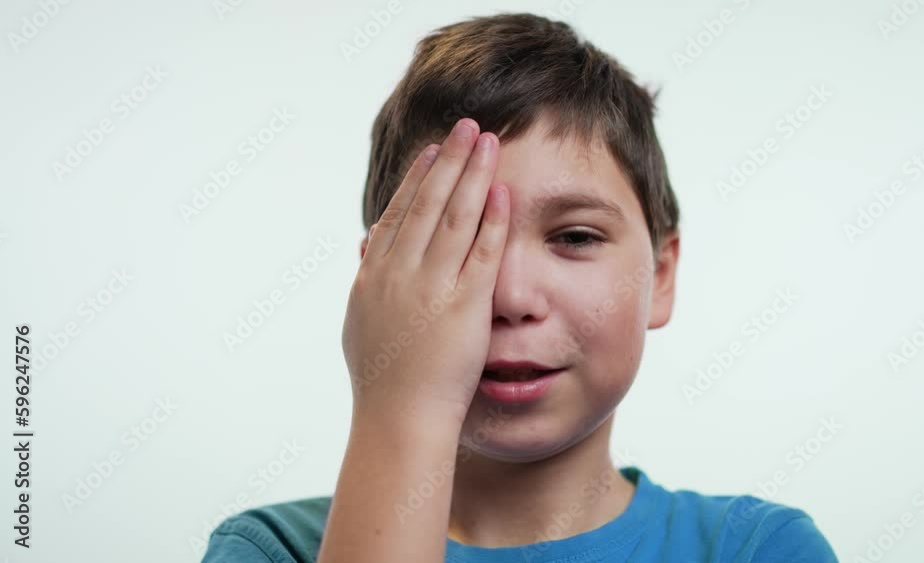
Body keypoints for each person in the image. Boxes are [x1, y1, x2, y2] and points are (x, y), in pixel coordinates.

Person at [202, 12, 838, 562]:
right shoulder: (273, 549)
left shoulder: (756, 550)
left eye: (576, 237)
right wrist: (403, 406)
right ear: (378, 288)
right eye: (462, 237)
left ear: (662, 275)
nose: (509, 298)